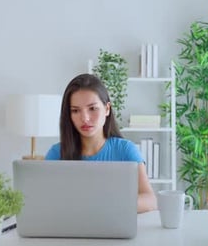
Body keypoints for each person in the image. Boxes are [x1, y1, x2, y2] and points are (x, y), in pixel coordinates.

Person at [45, 73, 157, 213]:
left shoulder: (126, 150)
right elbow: (45, 201)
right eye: (75, 111)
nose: (85, 118)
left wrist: (108, 206)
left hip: (114, 227)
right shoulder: (56, 153)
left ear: (107, 109)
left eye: (92, 108)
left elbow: (150, 200)